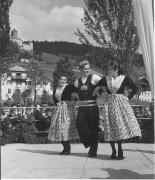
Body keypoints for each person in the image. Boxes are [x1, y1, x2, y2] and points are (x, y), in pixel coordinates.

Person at [94, 60, 142, 160]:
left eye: (109, 69)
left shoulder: (124, 78)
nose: (108, 71)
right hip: (110, 105)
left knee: (119, 127)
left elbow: (135, 88)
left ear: (115, 69)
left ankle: (120, 149)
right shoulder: (106, 79)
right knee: (109, 127)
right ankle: (113, 150)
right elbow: (96, 87)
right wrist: (103, 93)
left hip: (121, 105)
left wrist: (128, 97)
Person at [74, 60, 101, 157]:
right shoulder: (77, 81)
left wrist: (98, 90)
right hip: (82, 108)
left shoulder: (94, 77)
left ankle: (93, 151)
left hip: (92, 108)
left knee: (93, 129)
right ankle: (88, 142)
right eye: (85, 68)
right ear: (80, 69)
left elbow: (103, 84)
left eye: (88, 68)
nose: (87, 70)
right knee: (80, 127)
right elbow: (74, 92)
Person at [48, 76, 78, 155]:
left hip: (67, 110)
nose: (63, 81)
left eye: (65, 79)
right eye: (61, 79)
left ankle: (67, 148)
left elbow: (77, 93)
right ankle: (65, 148)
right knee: (59, 130)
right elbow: (54, 99)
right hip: (58, 110)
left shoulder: (69, 87)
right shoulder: (56, 89)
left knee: (65, 129)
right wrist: (56, 103)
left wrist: (73, 102)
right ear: (58, 80)